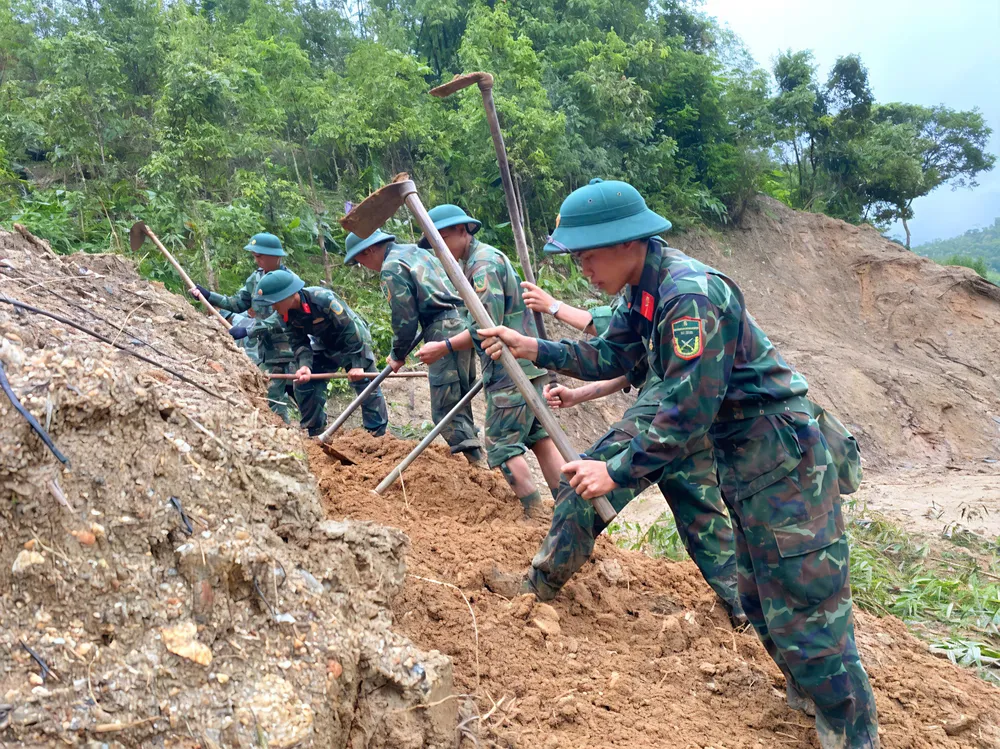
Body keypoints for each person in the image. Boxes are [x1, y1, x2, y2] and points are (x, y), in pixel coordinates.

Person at [477, 179, 878, 749]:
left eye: (588, 254)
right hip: (745, 458)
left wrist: (616, 471)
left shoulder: (689, 296)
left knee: (807, 611)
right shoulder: (644, 291)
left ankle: (850, 732)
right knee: (760, 596)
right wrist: (536, 347)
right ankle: (817, 704)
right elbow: (612, 354)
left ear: (628, 241)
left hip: (783, 461)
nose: (582, 267)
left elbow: (688, 409)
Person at [520, 283, 744, 621]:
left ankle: (536, 589)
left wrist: (552, 309)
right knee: (705, 523)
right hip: (695, 425)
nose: (588, 272)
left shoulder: (664, 293)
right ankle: (747, 610)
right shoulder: (655, 292)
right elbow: (632, 367)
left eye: (589, 259)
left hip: (664, 414)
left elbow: (602, 338)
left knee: (581, 482)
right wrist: (578, 395)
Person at [413, 204, 563, 516]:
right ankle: (570, 510)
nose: (439, 250)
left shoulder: (482, 266)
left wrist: (444, 347)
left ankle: (536, 514)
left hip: (511, 369)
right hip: (527, 364)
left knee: (500, 445)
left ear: (462, 231)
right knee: (539, 437)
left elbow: (487, 326)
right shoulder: (478, 262)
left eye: (441, 240)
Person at [345, 229, 482, 463]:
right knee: (460, 399)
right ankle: (478, 464)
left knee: (446, 409)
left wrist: (397, 354)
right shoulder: (416, 252)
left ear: (369, 251)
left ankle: (476, 465)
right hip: (463, 322)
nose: (364, 267)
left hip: (443, 328)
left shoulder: (392, 267)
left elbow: (404, 318)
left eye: (360, 261)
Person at [251, 269, 388, 437]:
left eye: (275, 302)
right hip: (325, 344)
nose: (273, 307)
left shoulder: (323, 299)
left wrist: (358, 364)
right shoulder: (284, 315)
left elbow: (350, 330)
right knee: (303, 383)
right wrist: (305, 366)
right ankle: (315, 432)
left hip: (355, 342)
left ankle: (377, 434)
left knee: (365, 382)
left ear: (289, 295)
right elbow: (299, 342)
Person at [191, 232, 295, 422]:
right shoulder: (255, 279)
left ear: (275, 256)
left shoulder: (288, 281)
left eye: (260, 256)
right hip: (266, 350)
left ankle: (305, 434)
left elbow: (279, 318)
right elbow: (237, 303)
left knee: (292, 395)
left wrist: (248, 330)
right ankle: (281, 432)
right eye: (255, 256)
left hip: (288, 347)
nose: (257, 260)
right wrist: (208, 296)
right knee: (270, 396)